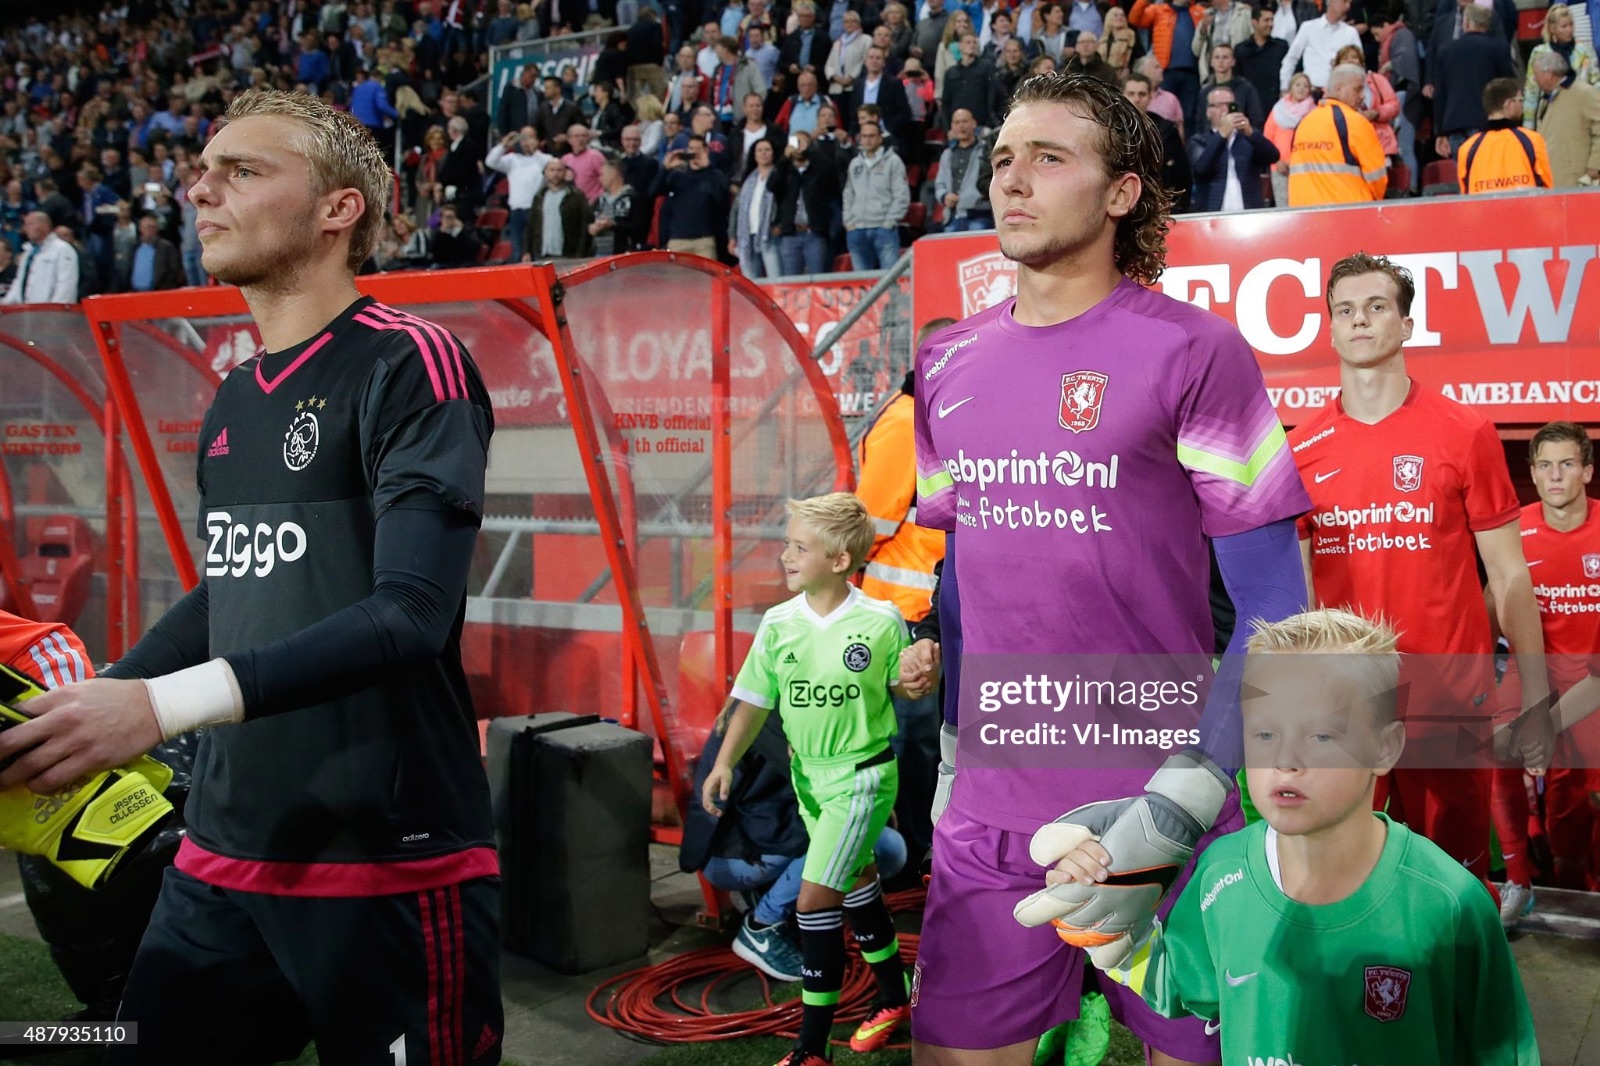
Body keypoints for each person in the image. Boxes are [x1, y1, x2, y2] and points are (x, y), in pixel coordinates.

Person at [0, 89, 504, 1065]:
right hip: (221, 856)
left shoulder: (411, 362)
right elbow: (227, 592)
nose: (201, 191)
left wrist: (156, 708)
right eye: (200, 172)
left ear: (337, 209)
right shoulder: (237, 390)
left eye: (243, 169)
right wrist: (101, 699)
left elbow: (410, 614)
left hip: (390, 866)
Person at [905, 71, 1312, 1066]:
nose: (1013, 178)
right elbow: (960, 567)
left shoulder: (1196, 353)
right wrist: (955, 739)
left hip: (1161, 799)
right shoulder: (946, 364)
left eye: (1049, 157)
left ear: (1121, 192)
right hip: (992, 807)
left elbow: (1274, 603)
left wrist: (1192, 787)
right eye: (1003, 158)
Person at [1128, 609, 1540, 1063]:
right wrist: (1106, 919)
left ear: (1385, 748)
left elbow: (1502, 1049)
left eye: (1321, 736)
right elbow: (1179, 982)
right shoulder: (1220, 873)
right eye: (1265, 733)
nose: (1285, 759)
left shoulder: (1450, 903)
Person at [1288, 252, 1551, 896]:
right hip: (1348, 708)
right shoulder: (1300, 446)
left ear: (1406, 325)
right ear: (1329, 328)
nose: (1360, 321)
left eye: (1377, 307)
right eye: (1344, 310)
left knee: (1451, 892)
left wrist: (1538, 697)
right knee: (1358, 886)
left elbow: (1511, 577)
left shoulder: (1465, 432)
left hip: (1449, 706)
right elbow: (1300, 598)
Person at [702, 493, 916, 1066]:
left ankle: (810, 1050)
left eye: (799, 547)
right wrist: (723, 763)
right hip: (809, 781)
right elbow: (750, 700)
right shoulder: (778, 624)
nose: (784, 556)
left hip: (863, 779)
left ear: (840, 560)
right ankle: (894, 1001)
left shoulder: (879, 621)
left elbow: (907, 688)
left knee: (816, 901)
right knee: (862, 882)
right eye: (786, 545)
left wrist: (922, 675)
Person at [682, 709, 909, 982]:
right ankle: (761, 926)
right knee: (874, 841)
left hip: (766, 836)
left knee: (881, 841)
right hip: (733, 854)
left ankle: (778, 901)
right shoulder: (771, 711)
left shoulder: (805, 700)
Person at [1490, 423, 1600, 920]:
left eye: (1568, 464)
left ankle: (1572, 878)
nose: (1556, 475)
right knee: (1493, 746)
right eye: (1545, 465)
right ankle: (1517, 880)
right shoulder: (1512, 531)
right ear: (1531, 474)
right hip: (1531, 667)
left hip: (1593, 677)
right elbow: (1488, 609)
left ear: (1588, 471)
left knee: (1576, 789)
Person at [855, 318, 954, 873]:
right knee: (911, 743)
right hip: (902, 611)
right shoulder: (902, 422)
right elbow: (868, 523)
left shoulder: (934, 415)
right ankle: (913, 853)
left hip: (925, 609)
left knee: (926, 743)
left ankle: (918, 850)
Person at [1286, 64, 1388, 205]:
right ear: (1338, 89)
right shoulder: (1356, 122)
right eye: (1357, 89)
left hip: (1305, 216)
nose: (1363, 95)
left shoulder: (1304, 123)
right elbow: (1377, 178)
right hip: (1348, 214)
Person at [1457, 77, 1555, 194]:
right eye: (1520, 100)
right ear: (1509, 104)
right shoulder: (1532, 140)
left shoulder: (1467, 148)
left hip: (1485, 212)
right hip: (1525, 210)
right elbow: (1547, 188)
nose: (1522, 105)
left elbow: (1465, 195)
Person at [1189, 85, 1280, 210]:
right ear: (1208, 112)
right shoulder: (1199, 140)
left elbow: (1273, 156)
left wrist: (1251, 133)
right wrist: (1221, 135)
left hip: (1248, 213)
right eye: (1219, 105)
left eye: (1229, 105)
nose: (1225, 110)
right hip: (1212, 215)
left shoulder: (1248, 139)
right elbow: (1200, 170)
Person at [842, 120, 909, 270]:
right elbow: (848, 194)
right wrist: (848, 222)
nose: (868, 139)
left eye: (872, 136)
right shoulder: (855, 163)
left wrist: (889, 222)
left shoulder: (893, 162)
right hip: (857, 230)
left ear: (880, 138)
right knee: (862, 285)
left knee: (889, 282)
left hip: (883, 229)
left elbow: (901, 195)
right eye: (864, 136)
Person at [524, 160, 596, 259]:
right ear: (545, 172)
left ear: (565, 172)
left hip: (569, 253)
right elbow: (532, 224)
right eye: (552, 170)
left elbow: (585, 224)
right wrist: (527, 251)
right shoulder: (539, 197)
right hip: (543, 254)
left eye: (559, 170)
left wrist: (581, 251)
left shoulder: (576, 196)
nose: (555, 173)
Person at [2, 211, 79, 305]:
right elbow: (18, 283)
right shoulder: (28, 253)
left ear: (45, 226)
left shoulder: (62, 250)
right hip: (26, 312)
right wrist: (5, 305)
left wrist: (56, 312)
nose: (26, 229)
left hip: (49, 313)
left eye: (30, 224)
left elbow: (66, 285)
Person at [122, 213, 184, 291]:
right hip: (135, 293)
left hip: (159, 292)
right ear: (140, 228)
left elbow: (175, 270)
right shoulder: (134, 248)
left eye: (152, 227)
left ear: (157, 229)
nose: (149, 230)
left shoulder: (166, 247)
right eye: (146, 227)